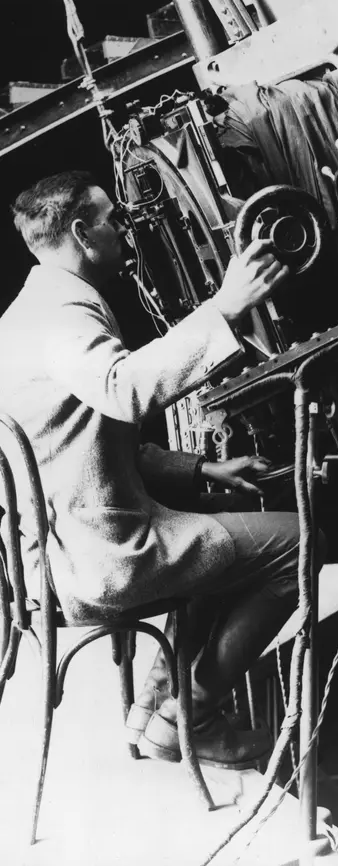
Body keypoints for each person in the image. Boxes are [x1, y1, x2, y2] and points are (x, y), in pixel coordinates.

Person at [0, 170, 307, 770]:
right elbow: (123, 390)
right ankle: (193, 715)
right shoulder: (64, 316)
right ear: (84, 234)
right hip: (103, 557)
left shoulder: (23, 316)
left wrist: (201, 471)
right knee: (300, 542)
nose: (124, 228)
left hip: (56, 552)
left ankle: (152, 709)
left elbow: (80, 443)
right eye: (113, 218)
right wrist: (224, 307)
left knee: (219, 521)